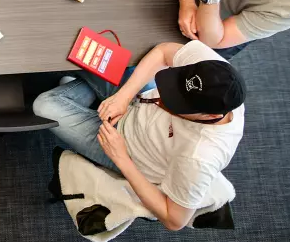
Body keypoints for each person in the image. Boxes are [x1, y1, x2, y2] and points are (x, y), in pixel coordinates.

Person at [32, 39, 246, 231]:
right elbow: (163, 51)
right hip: (137, 99)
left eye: (178, 103)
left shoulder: (199, 157)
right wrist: (123, 97)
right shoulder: (214, 71)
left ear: (211, 115)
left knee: (44, 106)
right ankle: (91, 89)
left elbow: (174, 220)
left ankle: (86, 88)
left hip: (127, 149)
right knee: (82, 46)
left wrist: (121, 158)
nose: (165, 99)